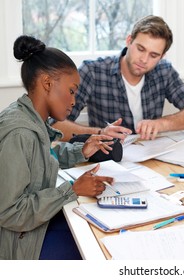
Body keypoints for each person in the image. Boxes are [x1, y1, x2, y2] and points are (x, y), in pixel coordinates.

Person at [0, 35, 115, 260]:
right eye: (71, 91)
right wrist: (71, 190)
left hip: (33, 227)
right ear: (47, 83)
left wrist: (81, 151)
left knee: (97, 230)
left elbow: (40, 159)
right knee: (97, 250)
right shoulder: (20, 133)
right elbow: (9, 212)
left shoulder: (30, 118)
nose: (74, 101)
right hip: (19, 244)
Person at [52, 15, 184, 142]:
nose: (144, 59)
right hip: (107, 158)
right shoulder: (93, 71)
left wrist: (162, 124)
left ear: (162, 56)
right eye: (141, 49)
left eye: (154, 55)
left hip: (149, 157)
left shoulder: (164, 72)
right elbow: (55, 125)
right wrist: (100, 133)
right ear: (129, 41)